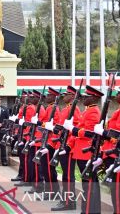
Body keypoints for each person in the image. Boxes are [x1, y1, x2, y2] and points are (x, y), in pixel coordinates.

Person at [63, 85, 102, 214]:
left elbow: (90, 133)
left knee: (90, 185)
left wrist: (72, 129)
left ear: (93, 98)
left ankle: (90, 211)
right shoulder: (87, 111)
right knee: (87, 184)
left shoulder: (94, 111)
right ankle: (88, 210)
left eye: (86, 96)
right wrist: (69, 146)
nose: (83, 98)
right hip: (81, 152)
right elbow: (80, 129)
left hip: (87, 153)